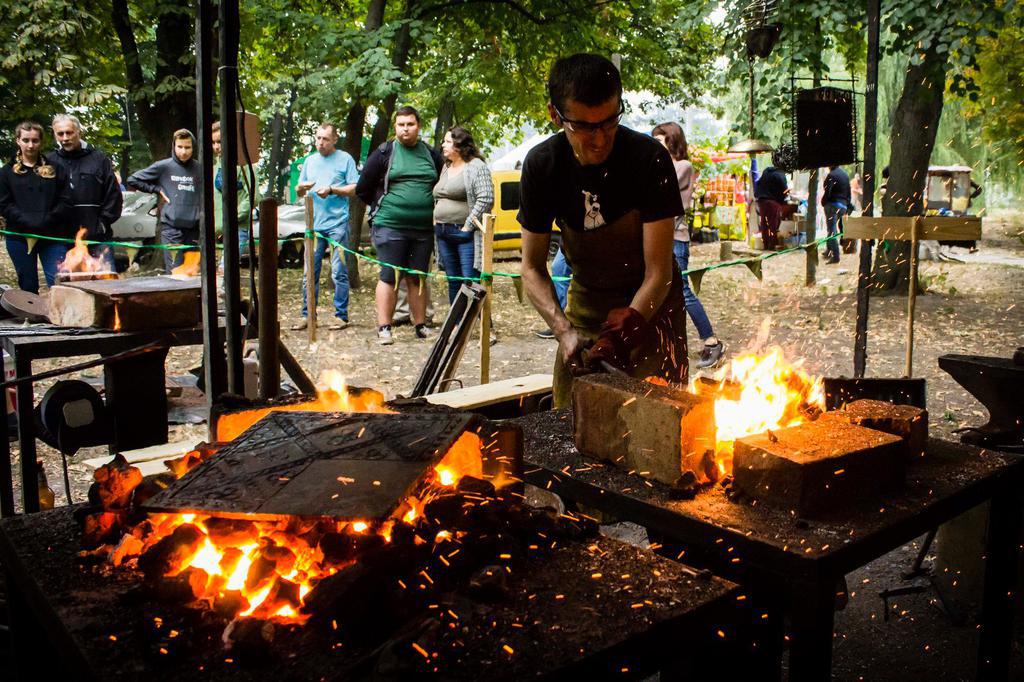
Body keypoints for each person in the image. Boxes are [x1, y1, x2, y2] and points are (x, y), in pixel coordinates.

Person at [518, 53, 688, 407]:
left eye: (610, 122)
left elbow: (659, 273)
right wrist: (564, 331)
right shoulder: (542, 166)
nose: (599, 140)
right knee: (570, 425)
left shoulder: (648, 158)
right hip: (586, 306)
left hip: (651, 310)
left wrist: (629, 325)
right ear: (555, 114)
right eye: (584, 127)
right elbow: (532, 268)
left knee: (661, 423)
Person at [356, 106, 443, 345]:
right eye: (401, 124)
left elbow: (441, 184)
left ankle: (420, 326)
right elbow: (362, 187)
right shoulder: (384, 152)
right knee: (390, 275)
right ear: (395, 127)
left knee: (417, 276)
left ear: (419, 126)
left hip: (423, 228)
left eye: (410, 124)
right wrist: (381, 207)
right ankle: (385, 327)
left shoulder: (431, 154)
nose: (406, 129)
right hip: (389, 225)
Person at [652, 122, 724, 369]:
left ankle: (711, 341)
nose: (654, 146)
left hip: (676, 239)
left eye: (659, 141)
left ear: (671, 141)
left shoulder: (683, 166)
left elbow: (661, 183)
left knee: (682, 291)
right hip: (661, 238)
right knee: (659, 293)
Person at [291, 124, 358, 330]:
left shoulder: (345, 159)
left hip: (337, 223)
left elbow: (355, 188)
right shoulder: (310, 161)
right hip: (313, 225)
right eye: (318, 138)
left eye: (325, 139)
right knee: (310, 272)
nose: (320, 143)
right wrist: (301, 188)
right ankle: (308, 315)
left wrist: (332, 189)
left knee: (339, 271)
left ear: (335, 139)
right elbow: (299, 191)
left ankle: (341, 316)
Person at [0, 122, 73, 292]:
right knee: (28, 284)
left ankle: (62, 317)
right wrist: (26, 221)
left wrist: (47, 219)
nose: (30, 145)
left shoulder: (57, 169)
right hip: (19, 236)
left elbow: (66, 200)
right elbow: (4, 204)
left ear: (41, 142)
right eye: (26, 140)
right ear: (18, 141)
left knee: (60, 282)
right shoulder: (6, 172)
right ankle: (31, 316)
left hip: (52, 235)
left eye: (35, 140)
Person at [47, 114, 122, 271]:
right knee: (67, 288)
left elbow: (113, 195)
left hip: (97, 238)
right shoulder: (49, 162)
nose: (65, 138)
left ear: (79, 132)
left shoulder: (99, 159)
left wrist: (102, 223)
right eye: (60, 134)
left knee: (107, 285)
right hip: (61, 239)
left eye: (69, 132)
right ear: (54, 135)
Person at [433, 126, 494, 304]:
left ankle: (481, 324)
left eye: (448, 142)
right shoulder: (447, 166)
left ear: (459, 145)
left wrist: (468, 226)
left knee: (470, 282)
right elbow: (438, 197)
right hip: (443, 233)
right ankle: (458, 326)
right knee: (454, 282)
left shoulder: (476, 167)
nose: (443, 145)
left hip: (466, 234)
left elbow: (486, 198)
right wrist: (436, 220)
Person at [126, 129, 201, 272]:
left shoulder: (200, 168)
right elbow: (133, 179)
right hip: (172, 229)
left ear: (193, 147)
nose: (183, 152)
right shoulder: (163, 166)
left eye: (187, 147)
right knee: (175, 272)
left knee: (192, 273)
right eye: (180, 147)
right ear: (174, 146)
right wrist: (157, 189)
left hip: (194, 230)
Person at [211, 120, 259, 267]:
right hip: (219, 229)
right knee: (218, 274)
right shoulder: (215, 167)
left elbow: (254, 197)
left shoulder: (245, 164)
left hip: (238, 227)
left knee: (226, 269)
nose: (217, 146)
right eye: (213, 143)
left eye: (220, 141)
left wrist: (234, 215)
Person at [753, 157, 796, 251]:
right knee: (773, 224)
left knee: (764, 223)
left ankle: (765, 244)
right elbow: (784, 190)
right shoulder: (780, 174)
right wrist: (788, 193)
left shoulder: (766, 171)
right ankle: (771, 246)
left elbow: (759, 184)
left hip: (761, 201)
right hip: (772, 202)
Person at [821, 165, 852, 264]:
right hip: (843, 206)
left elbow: (827, 192)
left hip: (832, 205)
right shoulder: (845, 175)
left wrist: (824, 202)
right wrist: (847, 205)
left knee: (831, 230)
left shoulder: (831, 175)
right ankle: (829, 251)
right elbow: (849, 192)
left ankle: (835, 256)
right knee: (835, 229)